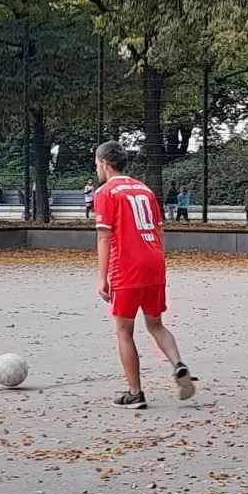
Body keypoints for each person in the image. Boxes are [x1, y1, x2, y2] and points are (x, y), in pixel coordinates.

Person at [92, 141, 195, 409]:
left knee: (124, 331)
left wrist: (102, 277)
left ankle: (135, 393)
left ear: (104, 162)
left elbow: (104, 236)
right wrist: (158, 263)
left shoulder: (106, 192)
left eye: (97, 164)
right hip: (154, 262)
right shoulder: (145, 189)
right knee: (155, 324)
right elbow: (159, 231)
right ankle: (178, 363)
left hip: (127, 265)